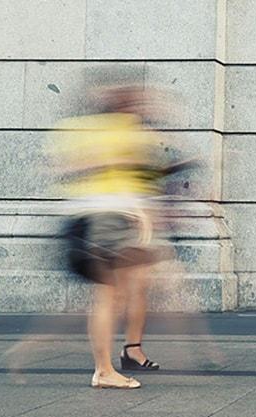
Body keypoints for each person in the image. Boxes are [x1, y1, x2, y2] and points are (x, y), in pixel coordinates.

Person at [53, 80, 195, 389]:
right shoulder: (120, 132)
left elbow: (68, 169)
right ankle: (104, 369)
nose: (143, 108)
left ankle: (118, 358)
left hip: (103, 220)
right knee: (109, 296)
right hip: (106, 220)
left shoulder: (85, 131)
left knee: (116, 294)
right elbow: (133, 175)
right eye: (135, 102)